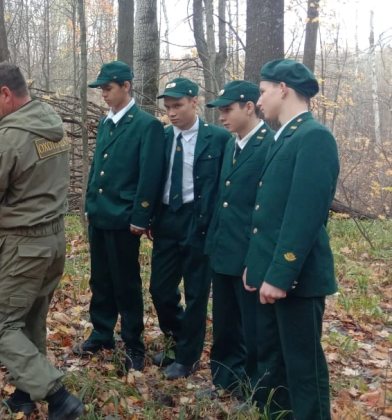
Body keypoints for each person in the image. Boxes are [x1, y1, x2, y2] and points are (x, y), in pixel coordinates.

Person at [0, 62, 84, 420]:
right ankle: (27, 391)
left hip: (24, 246)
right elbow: (24, 148)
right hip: (54, 241)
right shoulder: (49, 120)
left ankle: (58, 396)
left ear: (6, 95)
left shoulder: (10, 139)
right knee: (30, 319)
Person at [244, 59, 338, 420]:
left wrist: (280, 274)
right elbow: (268, 213)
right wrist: (257, 265)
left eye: (262, 91)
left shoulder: (313, 137)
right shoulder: (285, 137)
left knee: (305, 367)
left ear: (283, 88)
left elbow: (304, 216)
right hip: (276, 273)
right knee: (277, 358)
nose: (258, 99)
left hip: (299, 276)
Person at [72, 60, 166, 372]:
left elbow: (149, 175)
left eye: (108, 88)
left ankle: (133, 343)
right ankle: (102, 332)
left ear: (126, 86)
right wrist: (89, 203)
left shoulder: (146, 125)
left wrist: (141, 216)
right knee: (100, 278)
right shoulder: (104, 123)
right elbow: (98, 168)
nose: (103, 94)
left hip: (125, 216)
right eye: (101, 88)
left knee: (125, 281)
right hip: (100, 214)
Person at [149, 77, 230, 380]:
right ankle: (177, 338)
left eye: (178, 106)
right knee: (160, 288)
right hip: (167, 218)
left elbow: (226, 183)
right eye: (167, 107)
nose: (171, 113)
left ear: (194, 102)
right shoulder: (163, 136)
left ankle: (187, 356)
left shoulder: (218, 138)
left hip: (199, 222)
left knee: (197, 292)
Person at [201, 80, 274, 398]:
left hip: (249, 253)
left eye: (227, 109)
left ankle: (254, 387)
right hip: (224, 249)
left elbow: (268, 209)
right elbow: (222, 198)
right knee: (225, 323)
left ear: (249, 107)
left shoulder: (269, 145)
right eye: (219, 110)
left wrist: (256, 259)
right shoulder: (232, 144)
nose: (222, 117)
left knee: (254, 328)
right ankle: (224, 380)